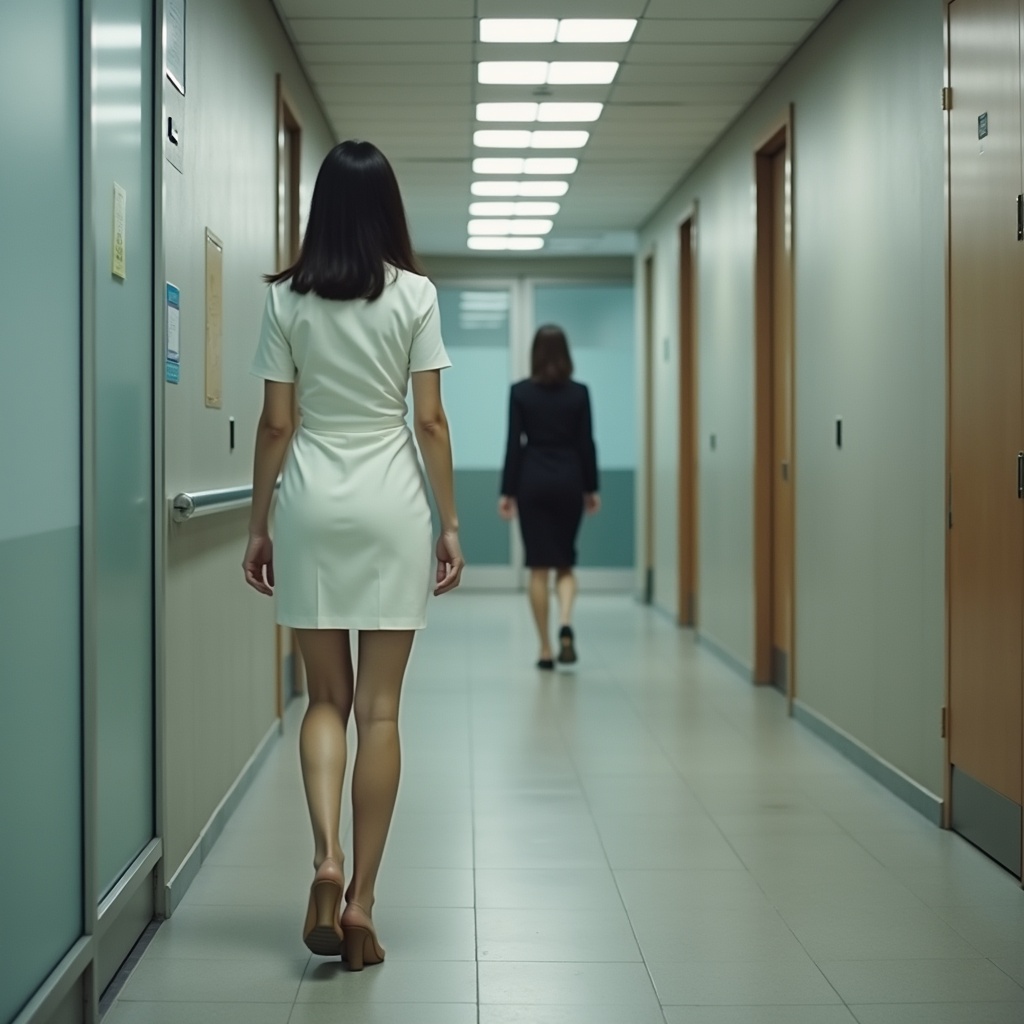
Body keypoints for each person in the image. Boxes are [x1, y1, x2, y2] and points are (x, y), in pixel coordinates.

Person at [242, 140, 463, 971]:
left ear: (320, 211)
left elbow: (274, 424)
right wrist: (449, 524)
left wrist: (258, 523)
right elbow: (431, 421)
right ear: (388, 210)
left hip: (309, 503)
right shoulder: (416, 295)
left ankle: (326, 857)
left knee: (324, 700)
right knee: (380, 710)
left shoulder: (285, 299)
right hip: (392, 503)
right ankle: (366, 898)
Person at [499, 325, 600, 670]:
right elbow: (587, 444)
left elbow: (514, 444)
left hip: (533, 481)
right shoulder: (580, 393)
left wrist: (506, 492)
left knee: (538, 568)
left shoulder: (521, 393)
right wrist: (592, 488)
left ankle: (544, 649)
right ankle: (566, 621)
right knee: (565, 564)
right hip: (570, 480)